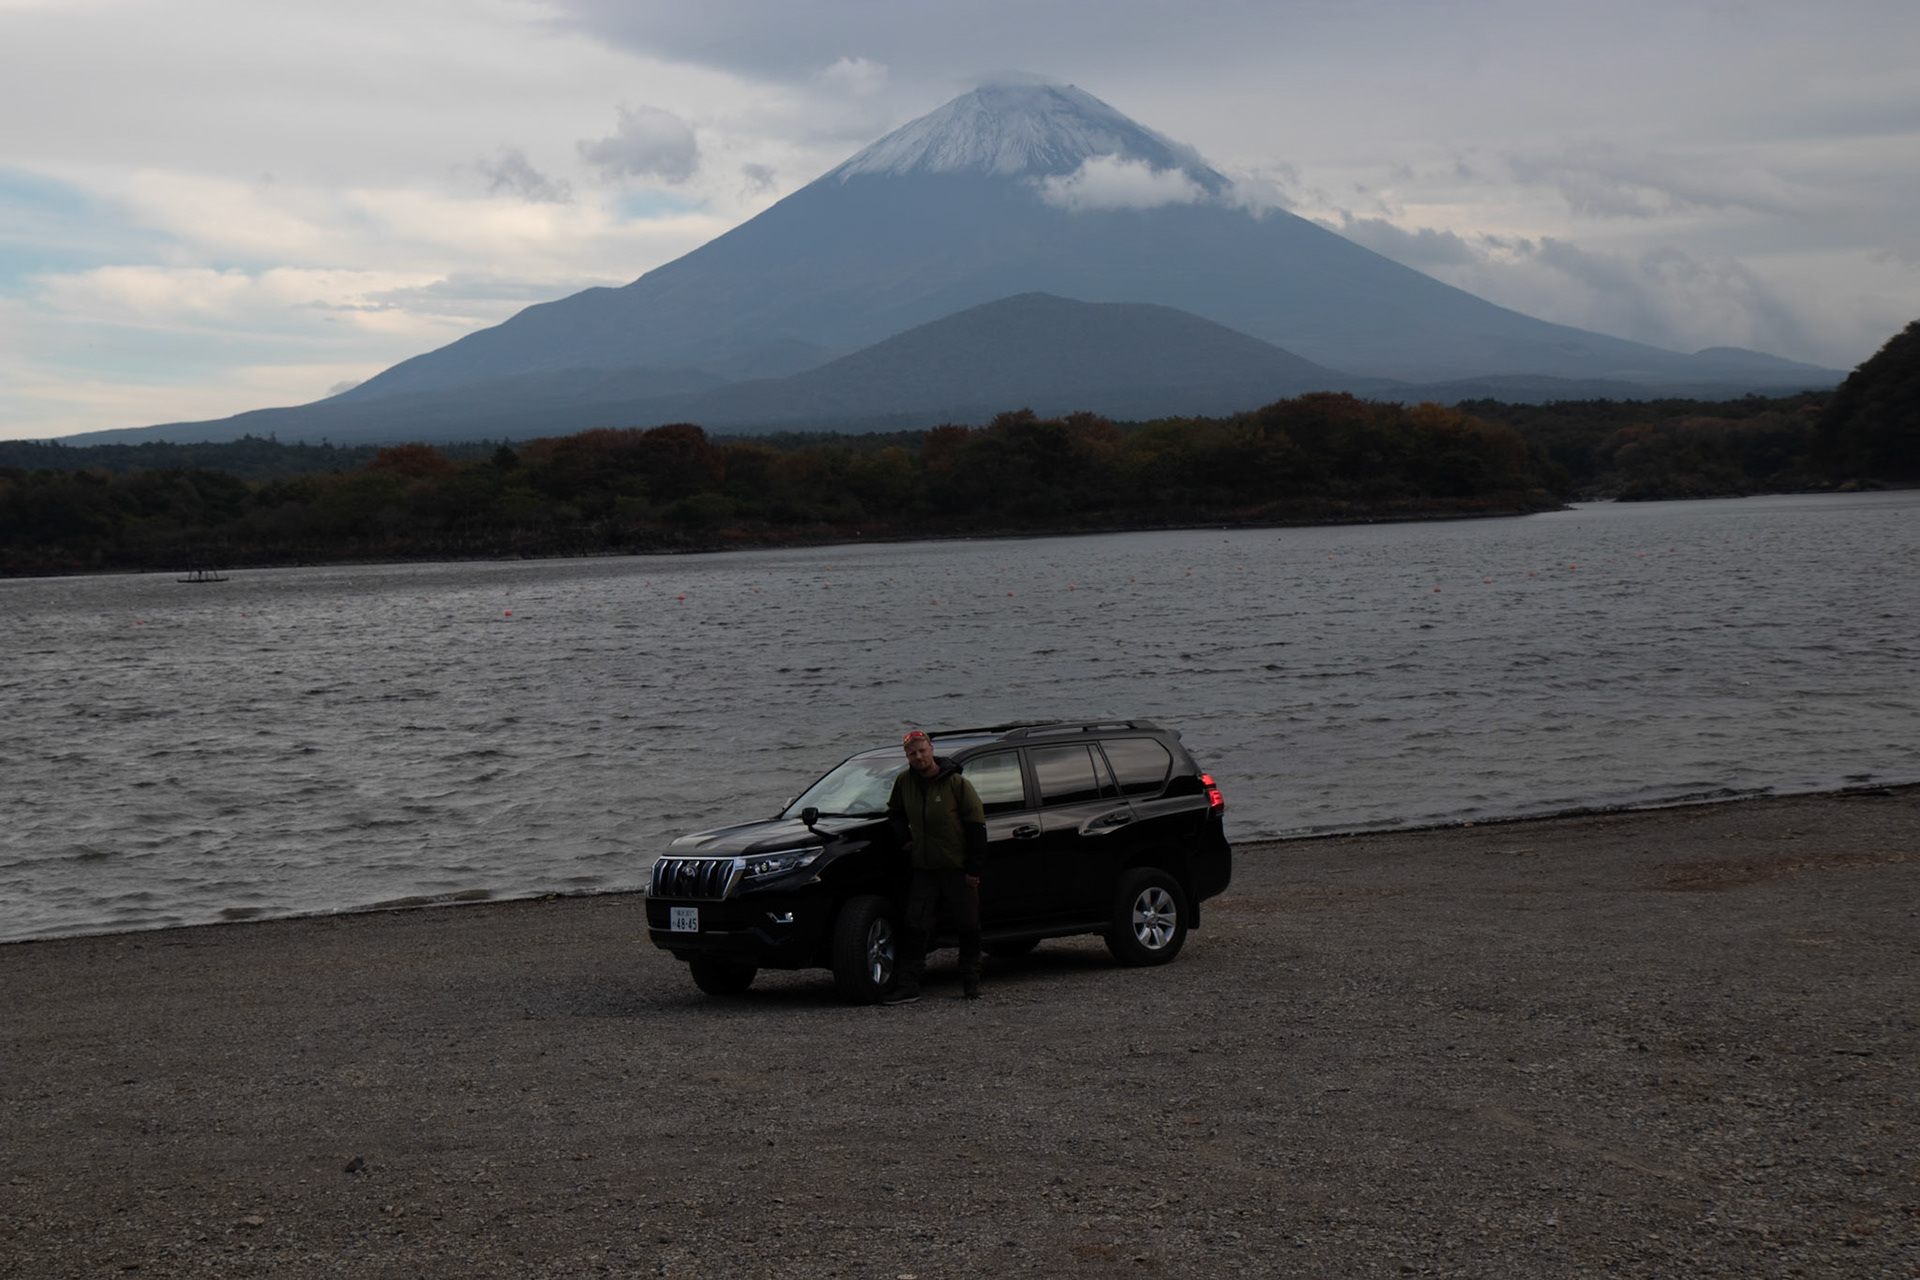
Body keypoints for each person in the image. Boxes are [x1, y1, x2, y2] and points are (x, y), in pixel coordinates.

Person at [883, 729, 987, 1002]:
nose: (918, 757)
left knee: (968, 925)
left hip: (957, 867)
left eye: (922, 750)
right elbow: (894, 812)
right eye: (912, 753)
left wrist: (974, 869)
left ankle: (970, 980)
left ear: (931, 749)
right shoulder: (905, 782)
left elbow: (976, 826)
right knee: (915, 925)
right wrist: (904, 838)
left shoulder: (956, 784)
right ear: (907, 756)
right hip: (924, 868)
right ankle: (909, 985)